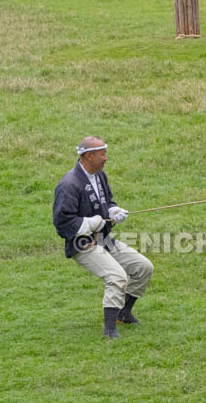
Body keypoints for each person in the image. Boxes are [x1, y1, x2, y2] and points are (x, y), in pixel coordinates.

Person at [53, 136, 153, 339]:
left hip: (104, 240)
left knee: (143, 268)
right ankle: (109, 331)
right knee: (116, 276)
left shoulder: (99, 176)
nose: (106, 158)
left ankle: (123, 313)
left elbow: (106, 202)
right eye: (102, 154)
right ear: (89, 156)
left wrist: (114, 211)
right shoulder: (69, 184)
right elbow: (62, 222)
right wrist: (91, 223)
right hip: (82, 244)